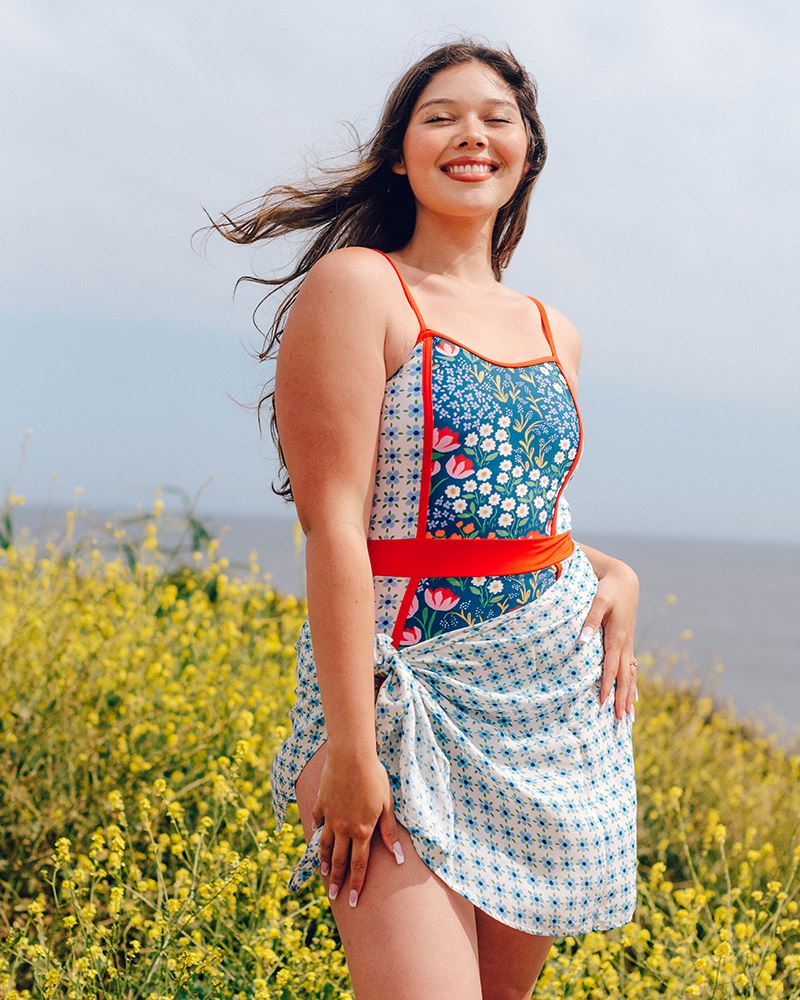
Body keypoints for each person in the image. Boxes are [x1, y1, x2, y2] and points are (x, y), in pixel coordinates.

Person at [210, 37, 640, 1000]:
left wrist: (617, 574)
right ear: (399, 154)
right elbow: (336, 527)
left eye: (498, 117)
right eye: (440, 116)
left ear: (527, 149)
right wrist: (354, 750)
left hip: (552, 715)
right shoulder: (361, 287)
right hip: (404, 708)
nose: (471, 135)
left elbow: (524, 513)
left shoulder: (550, 326)